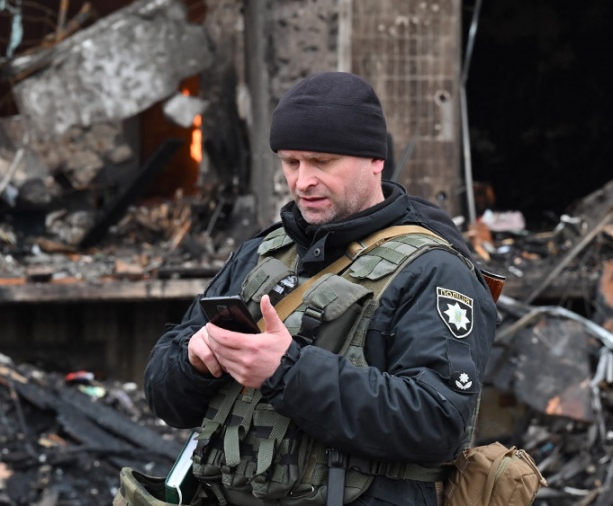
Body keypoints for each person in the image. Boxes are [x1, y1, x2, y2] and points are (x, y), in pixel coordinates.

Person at [144, 71, 498, 506]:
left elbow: (438, 423)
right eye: (291, 162)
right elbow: (164, 398)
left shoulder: (434, 270)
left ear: (375, 160)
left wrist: (286, 371)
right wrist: (193, 363)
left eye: (322, 162)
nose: (302, 181)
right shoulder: (263, 251)